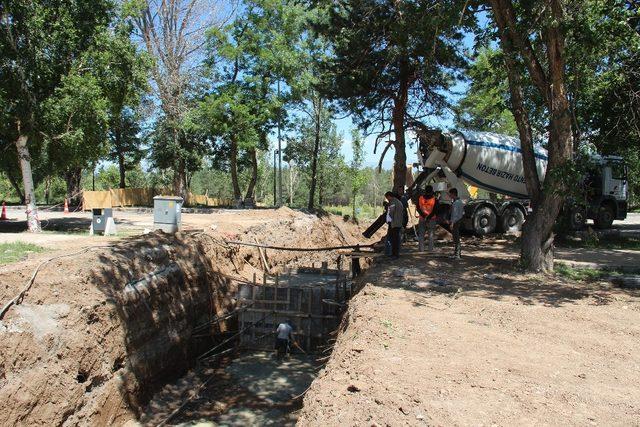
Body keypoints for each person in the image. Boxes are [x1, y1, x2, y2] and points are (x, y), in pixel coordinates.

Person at [417, 185, 438, 252]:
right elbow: (435, 210)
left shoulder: (420, 198)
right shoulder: (434, 199)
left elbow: (418, 208)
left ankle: (421, 249)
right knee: (431, 235)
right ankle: (430, 250)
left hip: (422, 218)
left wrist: (423, 216)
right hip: (431, 219)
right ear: (432, 191)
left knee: (421, 234)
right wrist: (428, 217)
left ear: (425, 191)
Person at [384, 191, 404, 259]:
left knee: (394, 240)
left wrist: (389, 219)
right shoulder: (398, 201)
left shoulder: (393, 202)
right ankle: (394, 253)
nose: (387, 199)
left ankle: (394, 254)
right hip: (397, 223)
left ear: (389, 196)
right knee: (396, 239)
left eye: (387, 197)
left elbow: (391, 213)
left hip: (394, 223)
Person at [447, 188, 465, 259]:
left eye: (450, 194)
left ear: (453, 194)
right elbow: (463, 212)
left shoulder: (456, 203)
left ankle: (457, 254)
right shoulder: (460, 202)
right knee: (456, 237)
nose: (449, 196)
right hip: (459, 220)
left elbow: (454, 214)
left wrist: (452, 223)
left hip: (455, 222)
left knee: (456, 238)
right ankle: (457, 253)